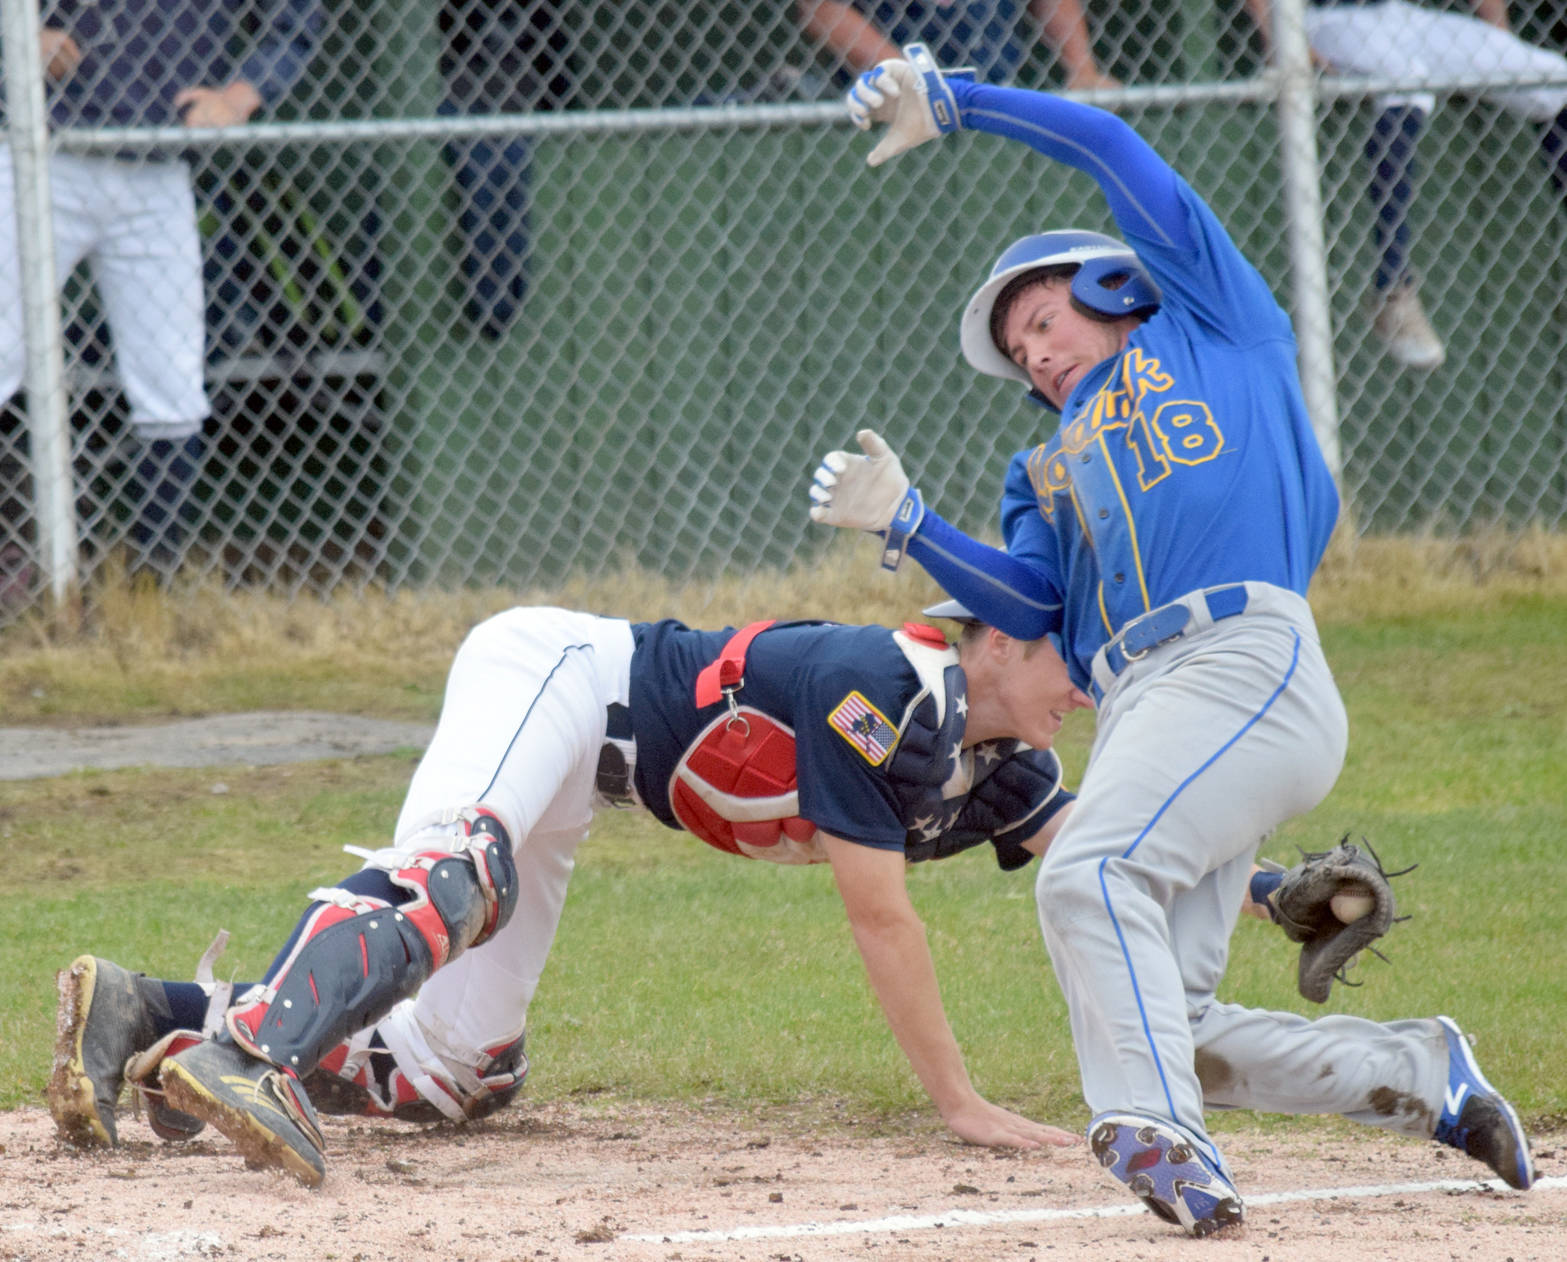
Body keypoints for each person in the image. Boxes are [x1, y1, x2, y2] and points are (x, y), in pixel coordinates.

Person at [807, 46, 1536, 1235]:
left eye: (1042, 318)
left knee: (1090, 873)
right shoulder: (1040, 464)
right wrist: (911, 525)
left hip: (1241, 656)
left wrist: (966, 104)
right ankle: (1421, 1071)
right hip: (1146, 701)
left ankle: (1157, 1136)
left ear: (1106, 285)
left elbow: (1113, 150)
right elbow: (1034, 603)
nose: (1034, 353)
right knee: (1168, 1015)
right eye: (1019, 350)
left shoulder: (1207, 321)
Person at [49, 604, 1096, 1186]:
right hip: (558, 671)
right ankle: (252, 1057)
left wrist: (1263, 890)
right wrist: (959, 1103)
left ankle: (153, 1014)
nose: (1085, 682)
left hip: (593, 775)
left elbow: (1111, 859)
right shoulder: (885, 681)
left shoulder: (994, 759)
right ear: (996, 636)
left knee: (457, 1073)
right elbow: (881, 918)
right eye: (1067, 651)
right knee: (461, 871)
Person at [0, 0, 323, 577]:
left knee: (171, 382)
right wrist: (22, 33)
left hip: (159, 165)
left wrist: (240, 95)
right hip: (38, 152)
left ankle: (151, 590)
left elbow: (296, 20)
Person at [1247, 0, 1567, 369]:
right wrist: (1278, 38)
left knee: (1554, 77)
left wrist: (1497, 36)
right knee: (1407, 79)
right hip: (1328, 17)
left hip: (1407, 18)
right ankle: (1393, 290)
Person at [438, 0, 578, 339]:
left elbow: (561, 81)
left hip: (521, 101)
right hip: (460, 100)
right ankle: (492, 300)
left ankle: (499, 301)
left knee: (509, 159)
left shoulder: (542, 12)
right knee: (483, 162)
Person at [796, 1, 1119, 92]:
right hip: (885, 109)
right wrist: (918, 80)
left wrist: (1082, 69)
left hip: (995, 93)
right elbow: (822, 9)